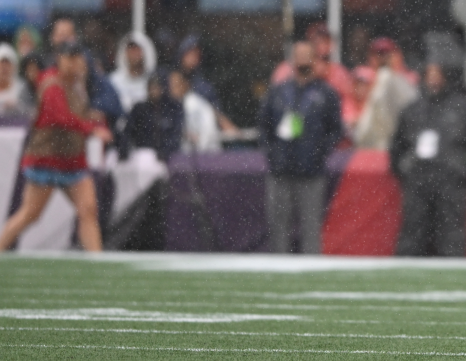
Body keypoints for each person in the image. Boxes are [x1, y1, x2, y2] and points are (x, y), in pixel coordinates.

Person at [0, 41, 113, 252]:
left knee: (88, 210)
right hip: (46, 159)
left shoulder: (81, 83)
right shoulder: (50, 84)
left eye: (77, 57)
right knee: (31, 214)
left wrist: (95, 121)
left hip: (73, 159)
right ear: (60, 60)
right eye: (69, 58)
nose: (74, 63)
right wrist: (92, 129)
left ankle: (97, 261)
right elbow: (60, 118)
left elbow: (90, 109)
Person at [389, 63, 466, 257]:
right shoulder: (413, 109)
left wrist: (465, 167)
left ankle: (452, 278)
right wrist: (403, 168)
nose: (433, 80)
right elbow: (397, 146)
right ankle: (406, 277)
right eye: (429, 74)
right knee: (413, 231)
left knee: (451, 234)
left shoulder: (463, 108)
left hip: (451, 180)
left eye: (437, 74)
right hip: (418, 178)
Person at [257, 41, 344, 254]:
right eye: (299, 55)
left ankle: (312, 272)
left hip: (311, 172)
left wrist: (319, 152)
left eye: (307, 55)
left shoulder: (326, 94)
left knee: (311, 227)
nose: (303, 60)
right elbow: (264, 126)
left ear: (314, 60)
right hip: (281, 169)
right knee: (279, 227)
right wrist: (273, 154)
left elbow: (336, 129)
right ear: (292, 60)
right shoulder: (278, 92)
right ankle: (279, 271)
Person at [353, 38, 420, 150]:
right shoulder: (362, 74)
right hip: (370, 140)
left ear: (397, 55)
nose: (383, 59)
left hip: (398, 136)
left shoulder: (408, 78)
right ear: (371, 56)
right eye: (379, 54)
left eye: (387, 54)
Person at [177, 34, 237, 132]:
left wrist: (231, 130)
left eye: (197, 54)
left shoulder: (203, 85)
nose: (194, 58)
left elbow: (216, 113)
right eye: (191, 53)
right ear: (182, 54)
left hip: (201, 137)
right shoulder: (169, 78)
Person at [125, 71, 185, 161]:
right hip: (142, 154)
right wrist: (125, 149)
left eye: (157, 87)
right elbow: (128, 132)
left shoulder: (174, 108)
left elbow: (176, 135)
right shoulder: (139, 109)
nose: (154, 91)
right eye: (151, 87)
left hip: (167, 156)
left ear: (164, 88)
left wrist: (165, 151)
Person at [169, 68, 221, 154]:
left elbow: (208, 132)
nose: (172, 89)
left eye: (176, 85)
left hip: (206, 156)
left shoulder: (197, 106)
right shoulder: (175, 106)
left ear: (186, 84)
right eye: (170, 85)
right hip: (187, 157)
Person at [109, 31, 157, 114]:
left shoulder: (154, 82)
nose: (134, 53)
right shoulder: (113, 81)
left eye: (137, 49)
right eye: (130, 49)